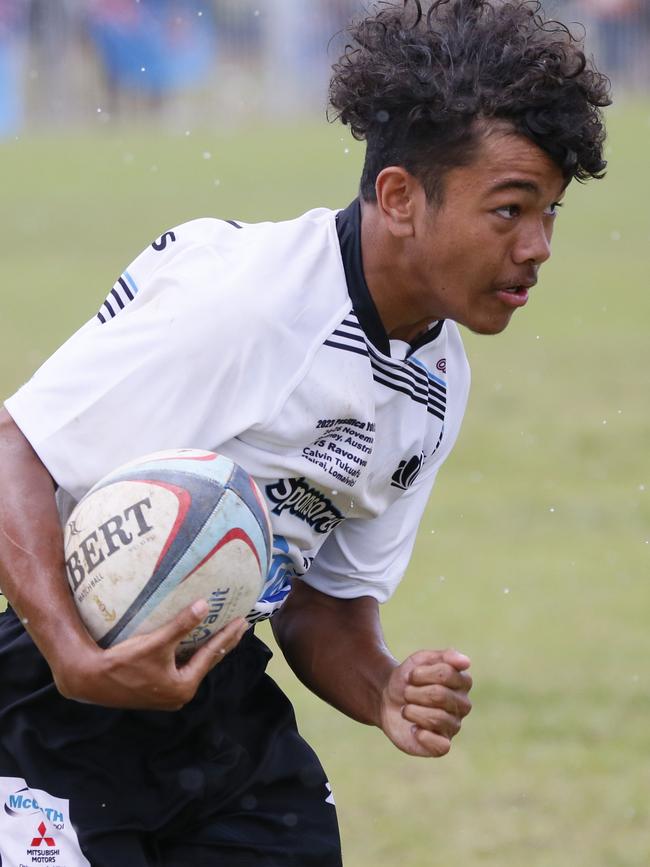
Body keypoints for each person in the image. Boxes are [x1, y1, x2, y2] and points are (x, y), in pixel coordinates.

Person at [0, 1, 610, 865]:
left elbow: (322, 602)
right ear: (399, 196)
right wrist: (72, 655)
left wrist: (385, 688)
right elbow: (12, 448)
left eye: (551, 212)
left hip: (224, 713)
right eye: (510, 210)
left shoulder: (437, 381)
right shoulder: (246, 309)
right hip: (47, 703)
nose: (539, 246)